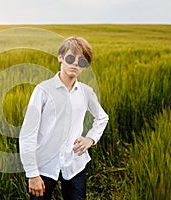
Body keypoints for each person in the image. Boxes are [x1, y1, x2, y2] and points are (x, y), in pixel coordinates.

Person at [19, 36, 109, 200]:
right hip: (44, 167)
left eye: (82, 62)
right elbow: (27, 134)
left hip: (75, 164)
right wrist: (32, 174)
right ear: (60, 57)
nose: (75, 64)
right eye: (70, 58)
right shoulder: (43, 90)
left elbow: (102, 118)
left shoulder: (86, 92)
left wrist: (91, 139)